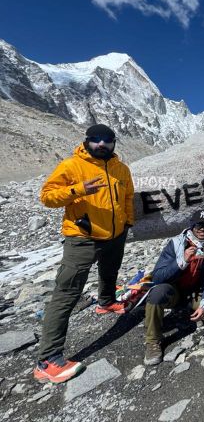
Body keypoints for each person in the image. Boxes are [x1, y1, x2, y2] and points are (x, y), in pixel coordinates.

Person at [34, 124, 134, 384]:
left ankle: (106, 303)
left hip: (115, 234)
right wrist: (77, 190)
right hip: (82, 237)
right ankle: (47, 359)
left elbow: (128, 196)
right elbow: (47, 197)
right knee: (67, 292)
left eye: (107, 139)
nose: (102, 144)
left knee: (110, 271)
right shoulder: (72, 166)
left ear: (114, 142)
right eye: (96, 139)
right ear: (87, 141)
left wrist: (128, 221)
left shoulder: (121, 168)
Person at [143, 210, 204, 366]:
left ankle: (193, 310)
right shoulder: (176, 243)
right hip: (174, 290)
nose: (202, 229)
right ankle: (153, 341)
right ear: (191, 227)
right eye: (198, 225)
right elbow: (158, 277)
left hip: (198, 292)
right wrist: (181, 261)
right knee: (157, 293)